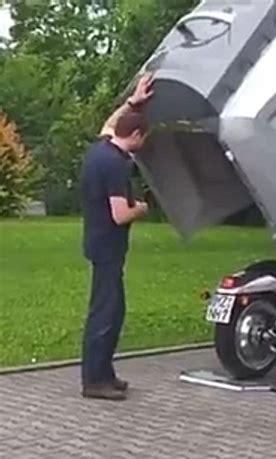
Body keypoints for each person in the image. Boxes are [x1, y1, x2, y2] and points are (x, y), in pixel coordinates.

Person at [80, 74, 155, 400]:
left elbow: (110, 125)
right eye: (144, 138)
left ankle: (105, 374)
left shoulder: (100, 149)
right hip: (108, 245)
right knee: (105, 312)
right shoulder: (116, 165)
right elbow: (119, 214)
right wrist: (141, 208)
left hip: (97, 241)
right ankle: (94, 381)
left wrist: (133, 101)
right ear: (136, 135)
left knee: (113, 308)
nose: (144, 144)